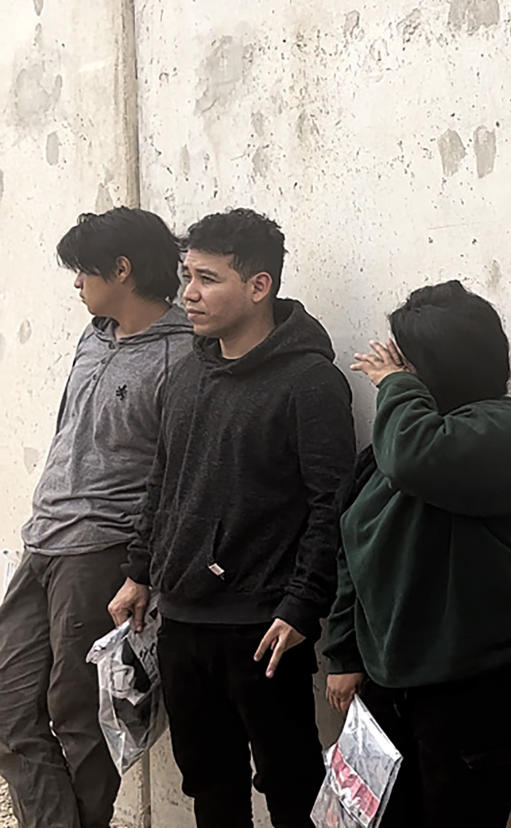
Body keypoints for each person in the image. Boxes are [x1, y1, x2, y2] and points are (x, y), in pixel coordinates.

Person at [107, 208, 355, 828]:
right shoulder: (188, 371)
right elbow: (163, 479)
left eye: (207, 279)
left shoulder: (310, 382)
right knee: (209, 787)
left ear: (258, 286)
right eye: (187, 275)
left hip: (263, 630)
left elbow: (332, 506)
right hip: (181, 618)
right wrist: (140, 570)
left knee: (293, 786)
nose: (188, 294)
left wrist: (302, 606)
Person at [322, 280, 511, 827]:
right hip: (390, 679)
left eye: (406, 358)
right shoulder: (394, 437)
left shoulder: (507, 428)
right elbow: (351, 546)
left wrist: (396, 386)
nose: (392, 366)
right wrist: (344, 655)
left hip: (477, 684)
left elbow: (418, 459)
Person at [0, 208, 191, 828]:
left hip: (101, 552)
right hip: (45, 538)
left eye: (84, 270)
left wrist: (143, 570)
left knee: (79, 715)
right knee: (6, 703)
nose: (76, 283)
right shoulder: (95, 333)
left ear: (123, 269)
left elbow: (176, 478)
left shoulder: (182, 356)